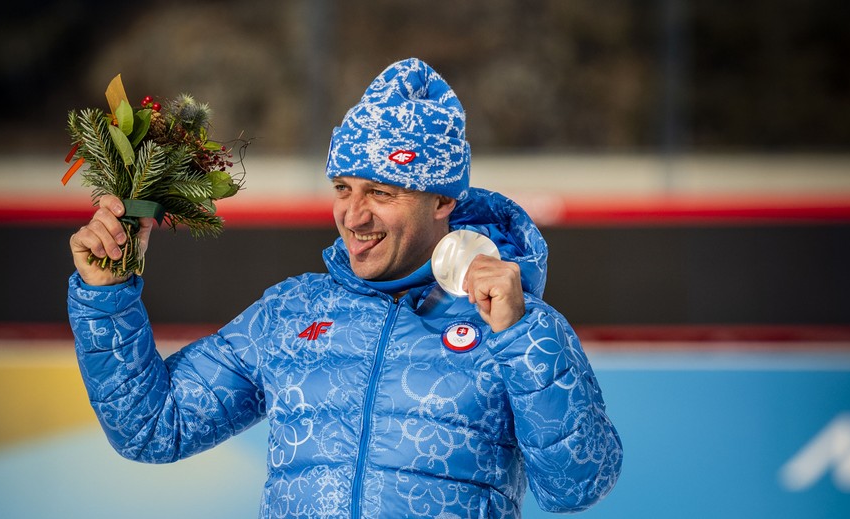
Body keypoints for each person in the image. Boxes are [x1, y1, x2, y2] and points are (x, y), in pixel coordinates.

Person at [68, 58, 622, 518]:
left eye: (381, 192)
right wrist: (108, 297)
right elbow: (153, 427)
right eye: (342, 188)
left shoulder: (510, 321)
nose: (353, 216)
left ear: (443, 200)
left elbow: (578, 485)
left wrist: (522, 335)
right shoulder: (290, 312)